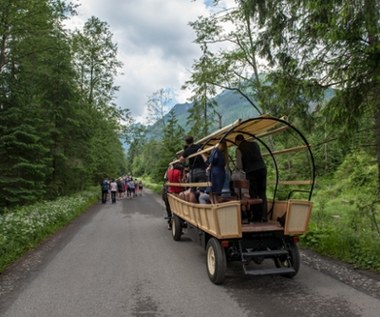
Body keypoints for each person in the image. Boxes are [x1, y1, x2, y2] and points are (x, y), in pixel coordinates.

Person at [235, 134, 267, 222]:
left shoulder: (239, 149)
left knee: (253, 195)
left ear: (237, 141)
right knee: (262, 193)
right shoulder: (255, 144)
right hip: (262, 169)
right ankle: (264, 216)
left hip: (251, 172)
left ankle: (256, 216)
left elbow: (239, 166)